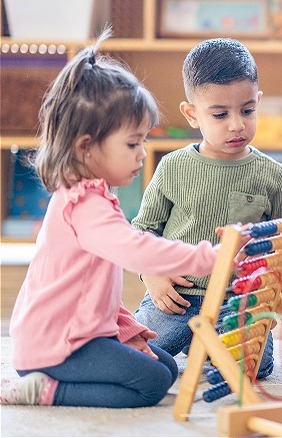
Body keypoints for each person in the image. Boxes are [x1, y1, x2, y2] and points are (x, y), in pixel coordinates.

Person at [0, 31, 225, 408]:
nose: (141, 155)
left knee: (167, 368)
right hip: (55, 346)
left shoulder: (95, 193)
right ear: (86, 147)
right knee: (151, 384)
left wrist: (127, 329)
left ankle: (65, 376)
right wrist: (209, 258)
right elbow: (138, 252)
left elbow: (92, 288)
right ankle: (44, 390)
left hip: (80, 333)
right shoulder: (83, 205)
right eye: (132, 144)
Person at [132, 38, 282, 380]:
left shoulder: (273, 174)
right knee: (134, 355)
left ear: (259, 103)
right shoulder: (172, 167)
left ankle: (205, 345)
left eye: (248, 110)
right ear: (192, 114)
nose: (237, 124)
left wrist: (262, 289)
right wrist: (152, 275)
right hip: (176, 298)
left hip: (237, 304)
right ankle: (197, 341)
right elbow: (141, 232)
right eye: (220, 114)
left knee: (253, 368)